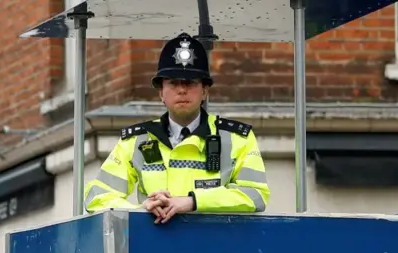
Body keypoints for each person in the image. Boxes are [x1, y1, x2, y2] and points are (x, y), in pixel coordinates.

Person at [84, 32, 270, 223]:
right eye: (173, 82)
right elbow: (97, 197)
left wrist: (192, 202)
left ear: (205, 91)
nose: (182, 90)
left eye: (190, 83)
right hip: (156, 248)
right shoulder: (137, 141)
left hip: (216, 249)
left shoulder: (237, 138)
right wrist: (141, 210)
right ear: (161, 93)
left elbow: (256, 195)